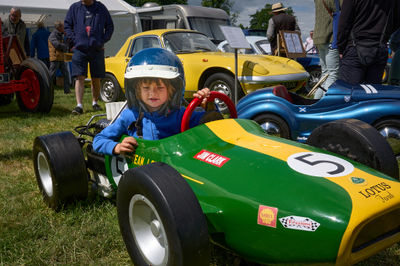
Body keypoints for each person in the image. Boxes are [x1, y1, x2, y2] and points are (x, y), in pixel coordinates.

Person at [93, 48, 222, 156]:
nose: (153, 93)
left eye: (160, 88)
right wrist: (117, 147)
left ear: (172, 90)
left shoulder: (181, 114)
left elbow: (213, 123)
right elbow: (98, 140)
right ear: (137, 91)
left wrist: (208, 103)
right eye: (146, 88)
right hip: (141, 175)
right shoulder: (130, 116)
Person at [64, 0, 114, 115]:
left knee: (96, 77)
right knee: (79, 77)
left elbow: (110, 26)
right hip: (79, 49)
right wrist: (74, 39)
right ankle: (79, 105)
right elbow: (67, 25)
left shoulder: (100, 8)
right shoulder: (74, 8)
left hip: (96, 49)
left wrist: (102, 40)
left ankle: (95, 103)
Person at [337, 0, 400, 84]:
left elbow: (344, 22)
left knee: (349, 93)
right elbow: (397, 20)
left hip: (355, 48)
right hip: (378, 47)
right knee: (372, 94)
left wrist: (341, 47)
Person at [312, 0, 341, 99]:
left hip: (319, 37)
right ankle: (326, 103)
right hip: (330, 36)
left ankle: (316, 102)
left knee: (325, 74)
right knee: (332, 74)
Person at [48, 21, 70, 94]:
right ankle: (47, 89)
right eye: (63, 27)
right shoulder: (53, 35)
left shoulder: (60, 34)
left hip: (60, 57)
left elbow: (62, 45)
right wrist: (65, 46)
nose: (64, 28)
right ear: (59, 27)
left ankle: (67, 91)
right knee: (51, 75)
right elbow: (57, 45)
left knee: (66, 74)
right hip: (55, 58)